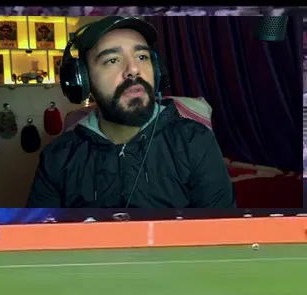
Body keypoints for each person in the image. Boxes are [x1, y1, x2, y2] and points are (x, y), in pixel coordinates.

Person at [27, 16, 234, 209]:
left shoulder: (195, 141)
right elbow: (40, 234)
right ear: (83, 80)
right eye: (112, 60)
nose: (134, 69)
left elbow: (222, 230)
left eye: (142, 56)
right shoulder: (57, 158)